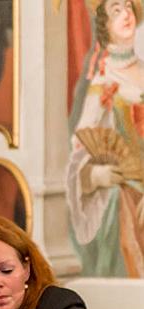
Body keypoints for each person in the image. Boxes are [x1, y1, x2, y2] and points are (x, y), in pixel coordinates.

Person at [66, 0, 144, 277]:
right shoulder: (102, 81)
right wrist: (99, 175)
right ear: (104, 26)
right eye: (115, 10)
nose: (126, 15)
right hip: (123, 193)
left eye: (127, 7)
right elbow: (80, 149)